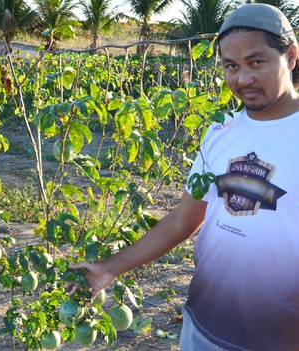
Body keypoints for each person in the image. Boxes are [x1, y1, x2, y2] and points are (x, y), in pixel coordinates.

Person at [70, 4, 299, 350]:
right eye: (230, 66)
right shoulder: (220, 134)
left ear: (291, 56)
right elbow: (183, 220)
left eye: (257, 62)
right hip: (203, 324)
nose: (243, 79)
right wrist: (109, 269)